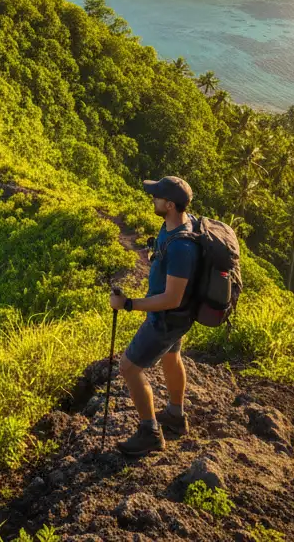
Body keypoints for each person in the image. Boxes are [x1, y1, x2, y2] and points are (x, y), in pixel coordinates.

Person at [109, 175, 199, 456]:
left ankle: (149, 432)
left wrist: (128, 304)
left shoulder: (182, 246)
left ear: (170, 205)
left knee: (129, 367)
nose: (153, 199)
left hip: (167, 319)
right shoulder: (176, 225)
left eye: (157, 196)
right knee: (171, 356)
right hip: (178, 318)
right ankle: (175, 415)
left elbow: (172, 298)